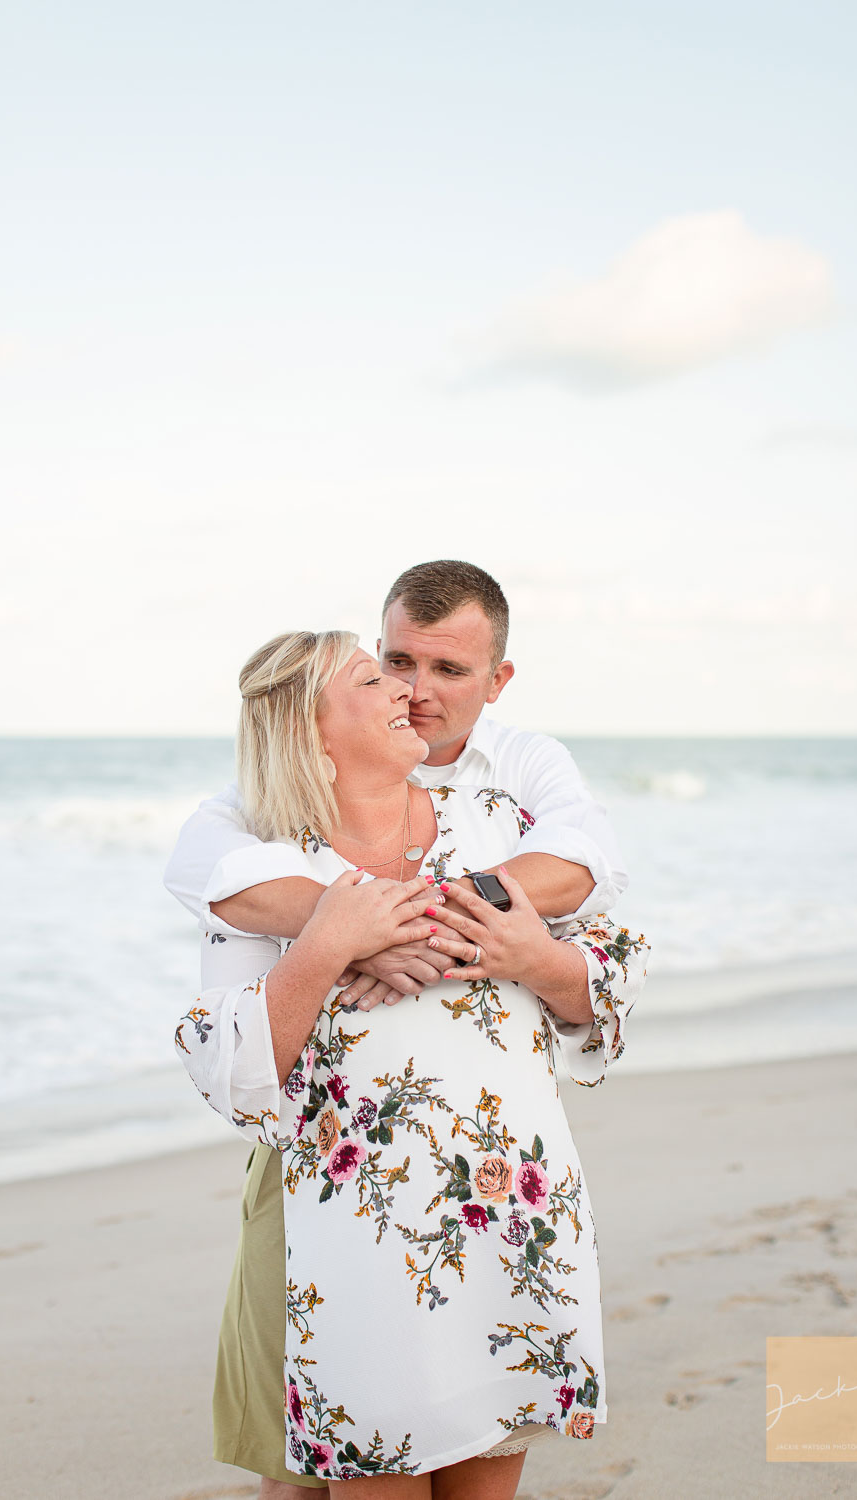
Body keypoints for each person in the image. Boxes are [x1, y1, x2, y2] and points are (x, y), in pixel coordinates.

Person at [164, 561, 632, 1498]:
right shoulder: (264, 847)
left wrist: (414, 918)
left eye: (443, 672)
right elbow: (227, 1059)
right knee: (302, 1474)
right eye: (385, 670)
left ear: (496, 681)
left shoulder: (506, 811)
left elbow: (601, 915)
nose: (413, 695)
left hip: (506, 1209)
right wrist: (337, 935)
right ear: (312, 730)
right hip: (353, 1229)